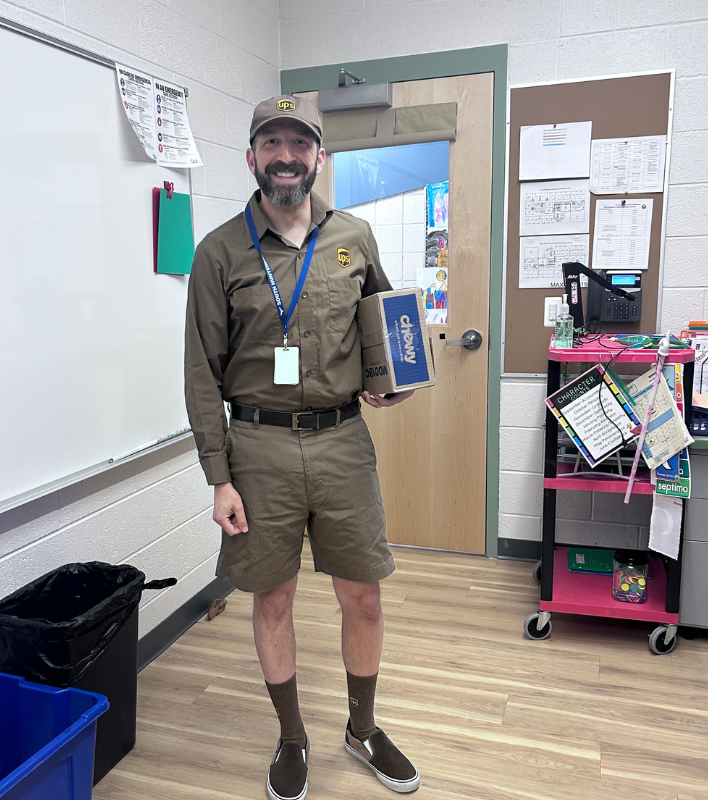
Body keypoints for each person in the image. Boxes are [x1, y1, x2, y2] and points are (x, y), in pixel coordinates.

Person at [185, 95, 420, 800]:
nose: (285, 156)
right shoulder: (219, 252)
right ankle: (292, 736)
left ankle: (363, 727)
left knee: (364, 597)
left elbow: (384, 323)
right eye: (271, 142)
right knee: (274, 599)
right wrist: (217, 476)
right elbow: (201, 370)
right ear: (251, 156)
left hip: (343, 439)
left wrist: (395, 381)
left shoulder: (355, 236)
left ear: (320, 157)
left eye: (299, 143)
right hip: (256, 449)